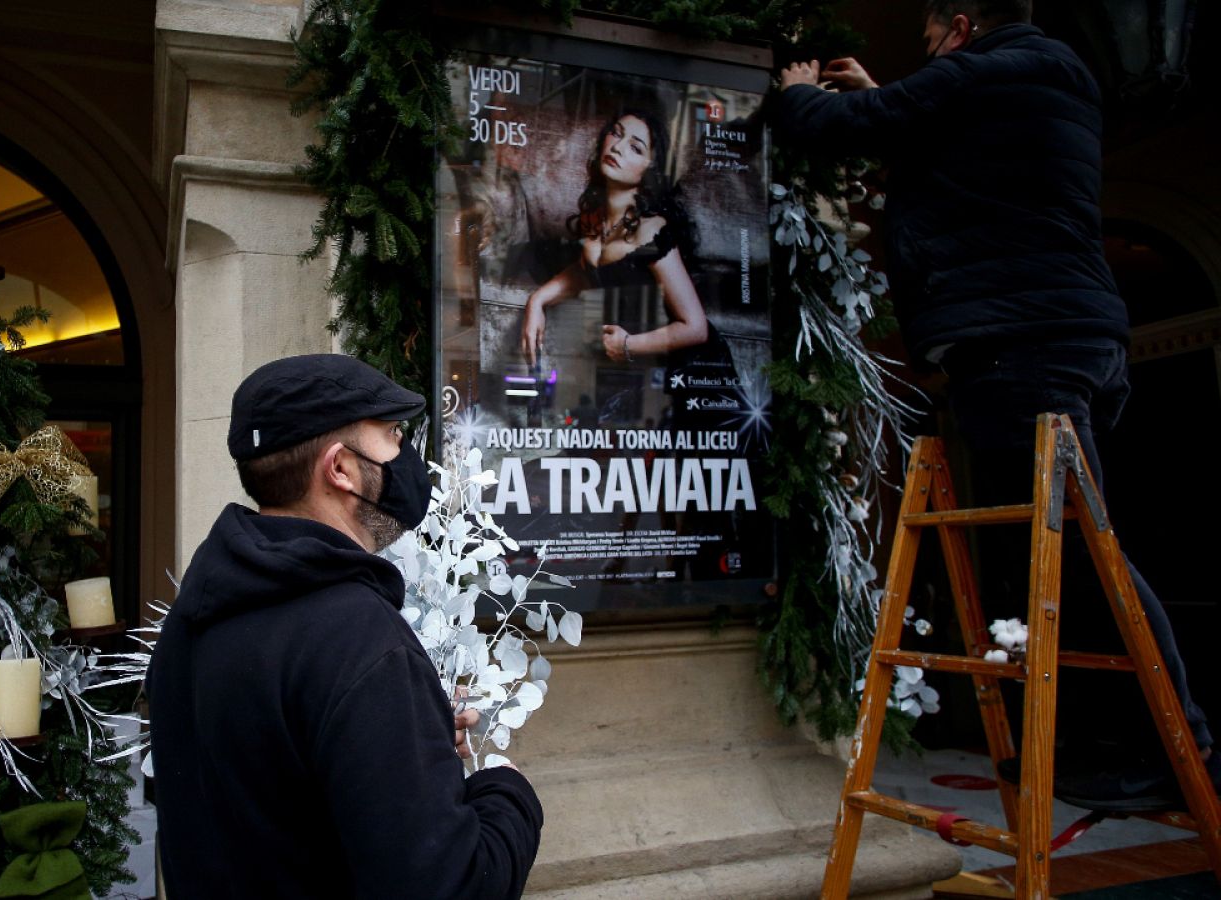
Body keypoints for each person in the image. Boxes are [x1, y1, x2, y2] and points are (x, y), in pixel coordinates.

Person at [775, 0, 1216, 810]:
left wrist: (802, 90)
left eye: (930, 38)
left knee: (1082, 549)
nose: (932, 52)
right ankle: (1093, 744)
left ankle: (1177, 746)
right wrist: (913, 94)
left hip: (1028, 345)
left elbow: (858, 122)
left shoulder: (993, 70)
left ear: (963, 26)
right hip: (1058, 337)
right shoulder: (1030, 78)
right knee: (1057, 553)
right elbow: (955, 152)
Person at [145, 354, 544, 899]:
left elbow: (273, 795)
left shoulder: (193, 618)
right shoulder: (358, 638)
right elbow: (452, 887)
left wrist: (406, 742)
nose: (408, 457)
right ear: (340, 468)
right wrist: (507, 791)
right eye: (393, 436)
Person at [518, 109, 739, 424]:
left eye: (636, 147)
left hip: (689, 371)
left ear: (649, 168)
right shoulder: (596, 217)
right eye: (616, 133)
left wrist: (628, 345)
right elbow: (588, 270)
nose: (618, 147)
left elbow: (696, 327)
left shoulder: (650, 230)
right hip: (641, 368)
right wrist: (538, 299)